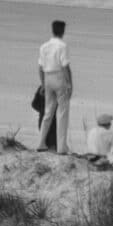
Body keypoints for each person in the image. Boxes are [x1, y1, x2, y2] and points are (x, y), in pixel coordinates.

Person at [37, 20, 72, 155]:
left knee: (47, 112)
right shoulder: (63, 46)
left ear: (52, 30)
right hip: (58, 77)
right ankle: (61, 147)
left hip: (47, 77)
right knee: (62, 113)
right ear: (62, 31)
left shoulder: (44, 46)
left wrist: (42, 83)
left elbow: (40, 67)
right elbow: (65, 66)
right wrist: (69, 83)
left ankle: (41, 143)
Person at [31, 85, 57, 150]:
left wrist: (43, 111)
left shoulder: (42, 87)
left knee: (49, 144)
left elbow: (34, 104)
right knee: (52, 145)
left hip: (45, 122)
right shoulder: (44, 88)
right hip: (52, 123)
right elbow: (34, 104)